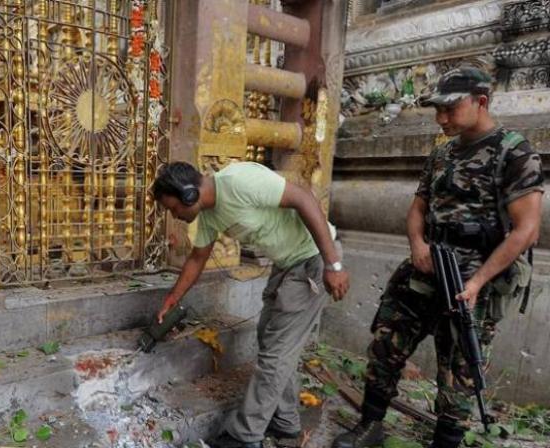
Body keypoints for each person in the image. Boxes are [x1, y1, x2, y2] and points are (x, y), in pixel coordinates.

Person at [331, 66, 543, 448]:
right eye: (436, 110)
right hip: (427, 264)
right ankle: (370, 425)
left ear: (481, 102)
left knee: (459, 368)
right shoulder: (442, 153)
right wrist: (417, 244)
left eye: (449, 109)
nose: (441, 118)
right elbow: (417, 209)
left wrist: (478, 282)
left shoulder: (514, 152)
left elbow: (526, 230)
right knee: (387, 342)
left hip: (474, 275)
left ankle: (444, 442)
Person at [152, 160, 350, 448]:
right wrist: (172, 299)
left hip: (313, 261)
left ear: (189, 195)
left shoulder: (239, 181)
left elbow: (303, 199)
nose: (176, 216)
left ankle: (244, 436)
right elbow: (197, 259)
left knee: (276, 352)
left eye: (174, 209)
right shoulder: (207, 217)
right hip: (286, 265)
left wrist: (333, 263)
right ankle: (284, 421)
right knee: (269, 341)